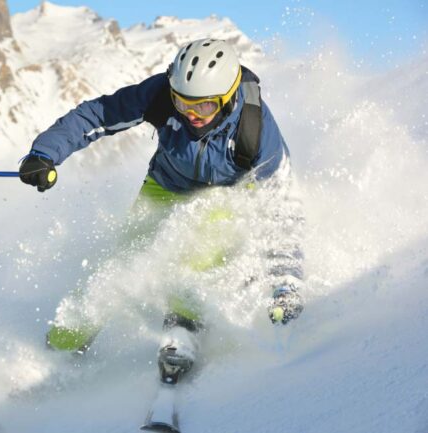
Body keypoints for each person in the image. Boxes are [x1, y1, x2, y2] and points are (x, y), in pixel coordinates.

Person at [18, 39, 304, 384]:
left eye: (204, 107)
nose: (190, 115)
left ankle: (183, 326)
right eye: (183, 102)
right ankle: (66, 340)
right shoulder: (161, 97)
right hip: (167, 183)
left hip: (228, 198)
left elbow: (281, 207)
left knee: (201, 241)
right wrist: (44, 154)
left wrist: (285, 284)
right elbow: (98, 114)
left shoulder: (255, 130)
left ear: (227, 99)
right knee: (123, 257)